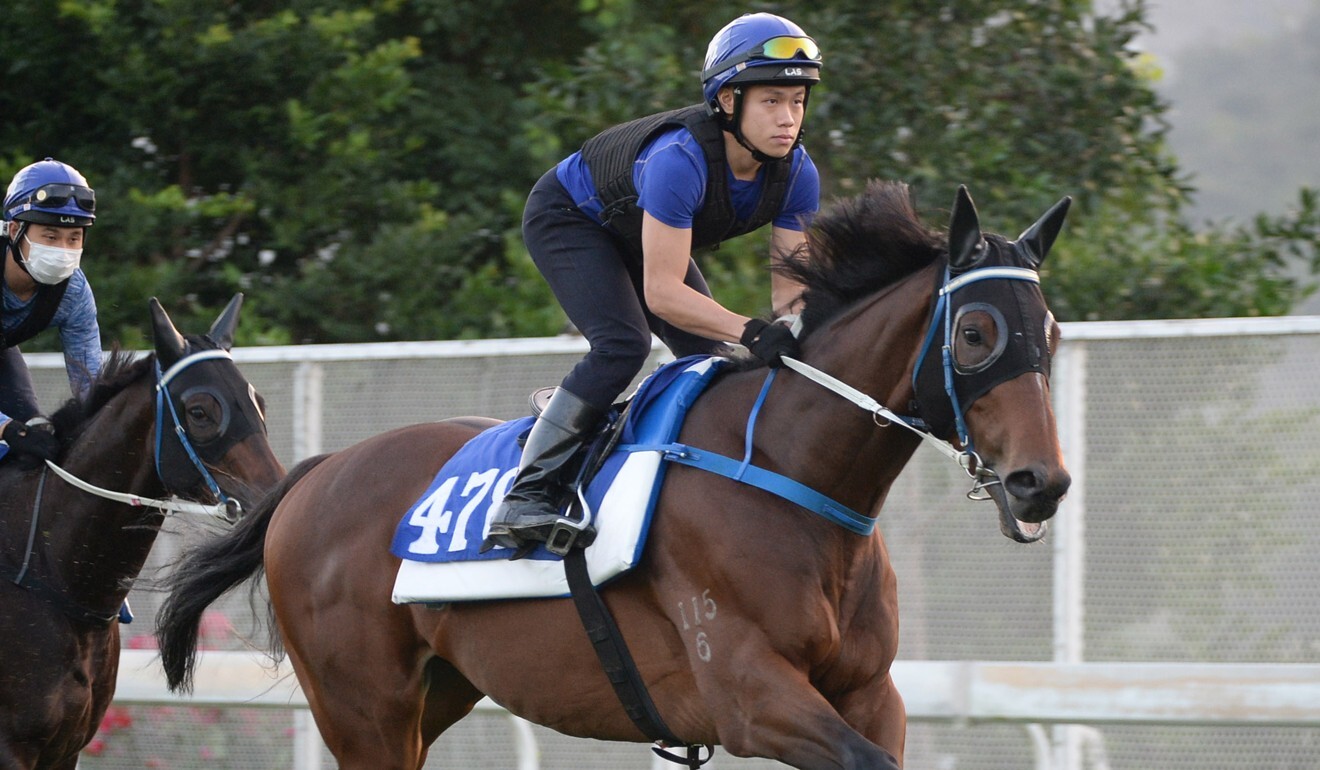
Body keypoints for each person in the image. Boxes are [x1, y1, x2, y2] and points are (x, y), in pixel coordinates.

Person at [483, 13, 823, 553]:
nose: (789, 118)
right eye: (772, 101)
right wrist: (753, 331)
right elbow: (663, 293)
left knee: (711, 360)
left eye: (798, 101)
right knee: (623, 344)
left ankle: (650, 455)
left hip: (637, 228)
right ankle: (526, 496)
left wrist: (806, 338)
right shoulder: (679, 159)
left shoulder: (799, 174)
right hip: (571, 217)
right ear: (729, 102)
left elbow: (791, 296)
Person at [1, 158, 103, 469]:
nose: (63, 249)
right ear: (16, 230)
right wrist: (5, 427)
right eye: (50, 236)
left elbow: (91, 388)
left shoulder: (74, 294)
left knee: (32, 436)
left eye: (74, 238)